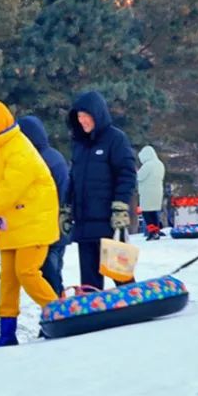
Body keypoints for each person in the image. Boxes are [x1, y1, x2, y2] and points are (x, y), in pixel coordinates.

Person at [0, 104, 60, 347]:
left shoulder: (19, 149)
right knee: (8, 279)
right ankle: (7, 332)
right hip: (12, 225)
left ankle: (61, 313)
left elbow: (10, 189)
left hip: (34, 222)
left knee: (27, 272)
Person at [66, 91, 138, 289]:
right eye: (79, 117)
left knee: (118, 270)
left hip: (109, 221)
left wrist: (121, 206)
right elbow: (73, 178)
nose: (82, 121)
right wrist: (66, 207)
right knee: (89, 279)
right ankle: (93, 308)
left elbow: (126, 174)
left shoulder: (116, 139)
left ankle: (132, 301)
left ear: (97, 115)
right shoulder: (79, 144)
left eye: (86, 116)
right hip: (84, 221)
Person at [18, 116, 70, 298]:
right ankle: (60, 306)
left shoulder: (39, 160)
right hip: (59, 224)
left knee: (49, 273)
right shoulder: (54, 156)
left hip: (48, 226)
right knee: (53, 272)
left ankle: (59, 313)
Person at [137, 146, 165, 241]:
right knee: (154, 212)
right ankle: (156, 231)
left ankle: (152, 232)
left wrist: (136, 172)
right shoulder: (160, 164)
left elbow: (139, 177)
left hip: (147, 192)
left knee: (146, 212)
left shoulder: (148, 165)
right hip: (158, 191)